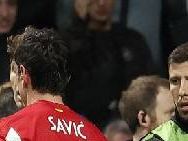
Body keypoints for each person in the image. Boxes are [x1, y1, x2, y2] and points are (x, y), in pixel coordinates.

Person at [64, 0, 154, 128]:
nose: (101, 3)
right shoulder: (67, 44)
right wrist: (79, 24)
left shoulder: (133, 40)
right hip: (82, 126)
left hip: (129, 124)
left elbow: (149, 87)